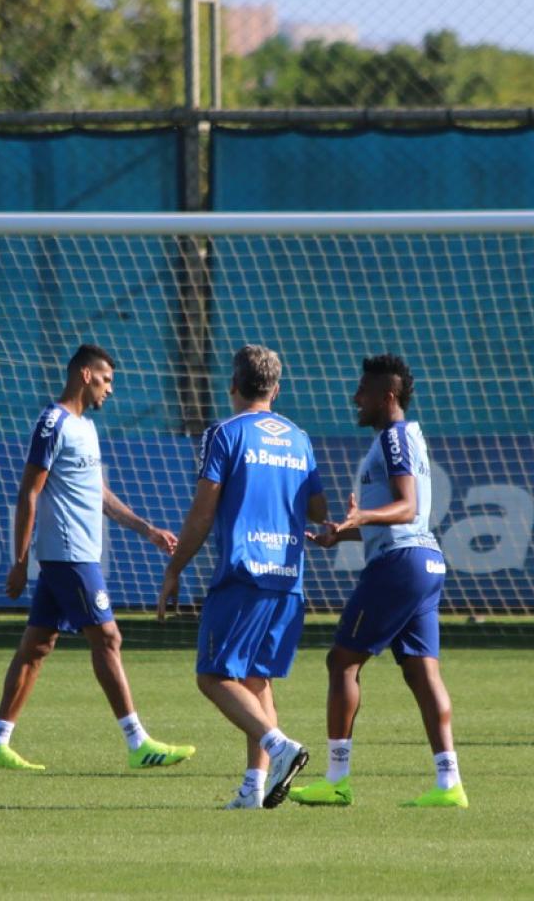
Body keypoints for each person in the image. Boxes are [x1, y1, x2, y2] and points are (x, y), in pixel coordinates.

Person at [0, 345, 194, 773]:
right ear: (83, 375)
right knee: (108, 638)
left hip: (75, 554)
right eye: (106, 379)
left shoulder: (85, 428)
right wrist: (20, 560)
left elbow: (100, 495)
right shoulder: (53, 422)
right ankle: (138, 742)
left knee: (37, 647)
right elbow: (29, 491)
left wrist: (145, 529)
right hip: (68, 554)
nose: (109, 389)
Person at [158, 345, 329, 809]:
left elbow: (202, 511)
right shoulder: (298, 438)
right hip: (287, 577)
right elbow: (318, 509)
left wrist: (174, 568)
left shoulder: (224, 434)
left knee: (212, 677)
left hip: (243, 573)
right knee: (257, 681)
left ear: (232, 385)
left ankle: (281, 747)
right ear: (276, 388)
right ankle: (253, 790)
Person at [293, 354, 467, 808]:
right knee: (421, 671)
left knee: (341, 662)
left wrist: (363, 515)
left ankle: (336, 778)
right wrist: (344, 532)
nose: (356, 398)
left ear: (387, 396)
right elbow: (401, 516)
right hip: (425, 562)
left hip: (401, 562)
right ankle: (449, 784)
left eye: (364, 391)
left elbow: (407, 507)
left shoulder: (393, 438)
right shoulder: (403, 437)